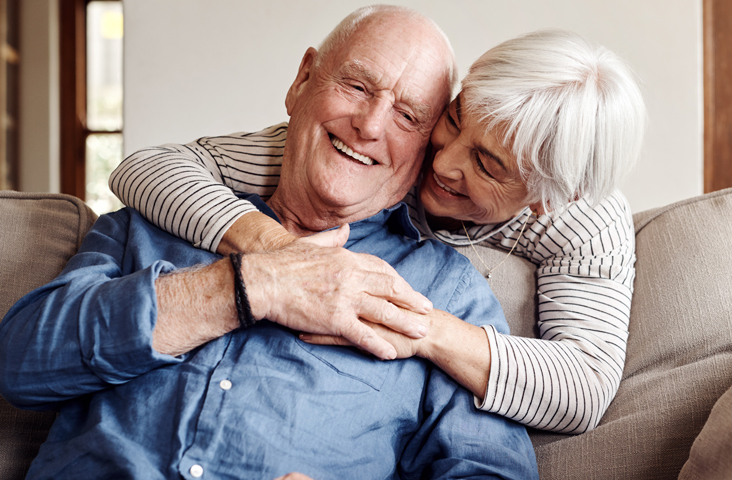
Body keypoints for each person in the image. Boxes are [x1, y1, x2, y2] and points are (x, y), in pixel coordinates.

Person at [0, 6, 538, 479]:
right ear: (302, 79)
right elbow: (20, 362)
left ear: (425, 146)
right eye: (356, 86)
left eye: (407, 116)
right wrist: (248, 284)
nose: (369, 125)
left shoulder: (444, 290)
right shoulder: (157, 219)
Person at [110, 27, 647, 435]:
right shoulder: (387, 148)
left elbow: (585, 385)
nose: (443, 163)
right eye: (456, 119)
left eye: (486, 165)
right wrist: (281, 253)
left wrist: (420, 328)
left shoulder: (584, 223)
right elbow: (147, 168)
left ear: (549, 198)